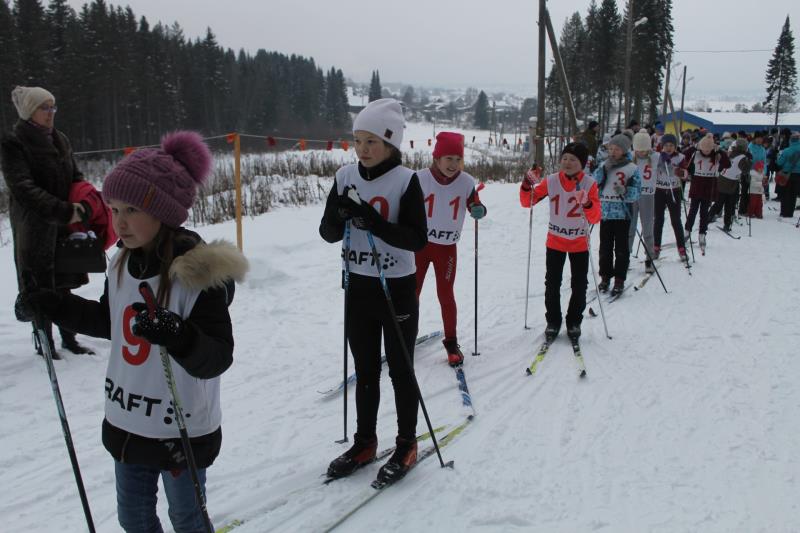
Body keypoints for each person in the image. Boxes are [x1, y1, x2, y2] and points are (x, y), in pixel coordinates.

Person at [16, 131, 248, 532]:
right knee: (134, 519)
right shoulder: (121, 263)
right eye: (114, 209)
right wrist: (53, 304)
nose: (118, 222)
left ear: (163, 212)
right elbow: (111, 322)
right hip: (128, 422)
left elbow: (216, 357)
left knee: (187, 518)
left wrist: (178, 335)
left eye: (131, 211)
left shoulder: (198, 276)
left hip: (179, 428)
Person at [319, 98, 428, 484]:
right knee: (364, 370)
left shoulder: (405, 180)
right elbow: (328, 233)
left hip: (396, 287)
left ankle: (406, 444)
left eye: (372, 142)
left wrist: (375, 222)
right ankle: (365, 442)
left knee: (400, 370)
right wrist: (339, 214)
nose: (363, 150)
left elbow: (417, 239)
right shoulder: (345, 175)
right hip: (358, 286)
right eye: (358, 140)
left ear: (391, 143)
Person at [1, 86, 94, 358]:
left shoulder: (60, 138)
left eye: (53, 107)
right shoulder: (14, 142)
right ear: (31, 110)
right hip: (35, 226)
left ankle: (69, 337)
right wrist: (64, 211)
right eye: (45, 107)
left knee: (64, 283)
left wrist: (86, 201)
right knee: (39, 286)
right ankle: (44, 341)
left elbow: (75, 175)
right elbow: (24, 188)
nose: (51, 113)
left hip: (64, 225)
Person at [415, 131, 486, 366]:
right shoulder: (420, 178)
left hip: (446, 248)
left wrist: (479, 209)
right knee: (410, 293)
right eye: (448, 159)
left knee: (445, 295)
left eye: (458, 159)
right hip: (419, 246)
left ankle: (451, 341)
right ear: (436, 158)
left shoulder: (466, 181)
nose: (453, 164)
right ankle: (405, 336)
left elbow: (474, 203)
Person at [519, 142, 601, 342]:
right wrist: (526, 184)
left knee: (579, 284)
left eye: (573, 159)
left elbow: (596, 217)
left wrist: (587, 203)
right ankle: (553, 321)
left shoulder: (590, 183)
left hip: (578, 242)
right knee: (552, 284)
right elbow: (527, 201)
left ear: (582, 163)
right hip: (555, 241)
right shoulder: (551, 180)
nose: (567, 162)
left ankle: (574, 321)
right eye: (564, 158)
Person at [593, 134, 641, 295]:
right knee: (604, 248)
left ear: (624, 150)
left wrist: (626, 190)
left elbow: (636, 193)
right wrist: (602, 170)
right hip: (605, 212)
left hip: (623, 213)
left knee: (621, 249)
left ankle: (619, 279)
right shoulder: (604, 164)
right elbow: (595, 183)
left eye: (617, 149)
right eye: (611, 149)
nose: (613, 152)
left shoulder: (632, 168)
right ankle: (605, 277)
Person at [683, 133, 731, 250]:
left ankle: (702, 234)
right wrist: (695, 146)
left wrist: (720, 151)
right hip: (697, 184)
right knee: (693, 210)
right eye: (703, 150)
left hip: (709, 186)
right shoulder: (696, 153)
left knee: (704, 212)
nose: (706, 152)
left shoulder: (716, 155)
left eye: (708, 150)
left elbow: (727, 164)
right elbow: (684, 156)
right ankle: (687, 231)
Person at [652, 133, 689, 263]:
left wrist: (680, 172)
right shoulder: (657, 157)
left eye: (671, 145)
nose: (668, 148)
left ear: (675, 146)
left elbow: (686, 174)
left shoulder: (680, 157)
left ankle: (681, 248)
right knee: (658, 220)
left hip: (674, 191)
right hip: (659, 191)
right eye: (666, 145)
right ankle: (656, 247)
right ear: (662, 146)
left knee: (676, 220)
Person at [630, 131, 659, 273]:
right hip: (632, 197)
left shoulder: (655, 157)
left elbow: (669, 169)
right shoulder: (630, 157)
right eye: (638, 150)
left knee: (647, 228)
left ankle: (649, 258)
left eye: (644, 150)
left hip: (648, 196)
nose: (641, 152)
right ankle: (625, 257)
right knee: (630, 228)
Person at [710, 138, 751, 231]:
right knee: (728, 205)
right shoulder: (742, 157)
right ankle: (726, 224)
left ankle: (709, 219)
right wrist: (748, 161)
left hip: (724, 179)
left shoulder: (732, 153)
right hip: (730, 181)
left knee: (720, 203)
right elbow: (745, 170)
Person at [776, 132, 800, 218]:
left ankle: (784, 212)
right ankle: (790, 212)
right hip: (798, 175)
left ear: (791, 140)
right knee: (793, 194)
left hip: (787, 174)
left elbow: (779, 162)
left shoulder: (786, 150)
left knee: (785, 193)